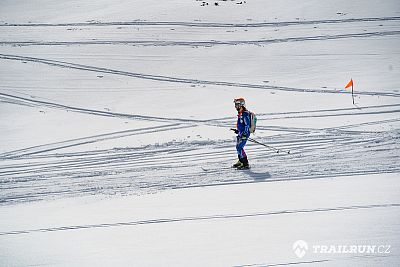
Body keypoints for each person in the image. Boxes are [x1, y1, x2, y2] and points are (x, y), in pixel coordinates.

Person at [232, 98, 250, 169]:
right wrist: (238, 131)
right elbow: (242, 125)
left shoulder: (245, 114)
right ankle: (240, 160)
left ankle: (245, 163)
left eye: (237, 105)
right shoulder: (241, 113)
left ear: (241, 105)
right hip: (241, 133)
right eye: (235, 105)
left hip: (244, 134)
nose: (236, 106)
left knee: (239, 147)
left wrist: (245, 134)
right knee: (238, 147)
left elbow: (247, 125)